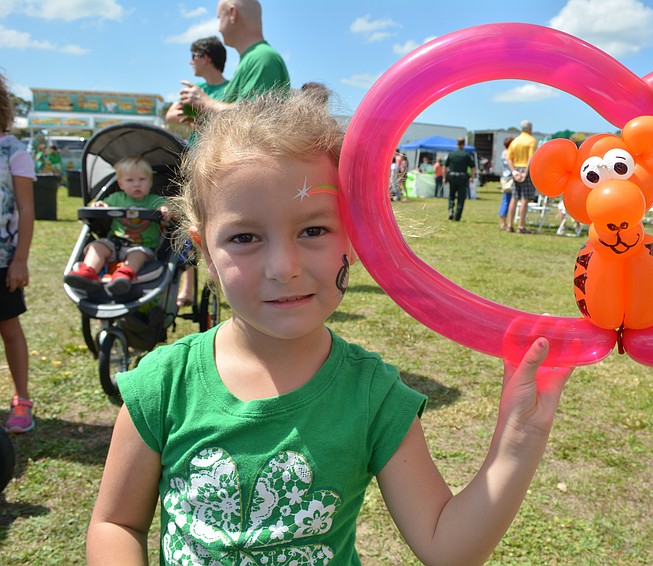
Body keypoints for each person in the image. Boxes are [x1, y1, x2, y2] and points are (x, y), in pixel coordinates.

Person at [86, 91, 572, 565]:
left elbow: (446, 547)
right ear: (206, 251)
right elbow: (117, 524)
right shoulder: (163, 384)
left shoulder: (373, 396)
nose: (284, 266)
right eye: (245, 237)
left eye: (313, 230)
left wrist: (519, 438)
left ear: (357, 234)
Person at [166, 36, 230, 308]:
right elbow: (171, 118)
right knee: (191, 227)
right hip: (195, 168)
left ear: (205, 57)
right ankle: (188, 285)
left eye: (193, 56)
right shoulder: (196, 89)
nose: (190, 62)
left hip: (222, 169)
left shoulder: (230, 90)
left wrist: (200, 113)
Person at [64, 156, 171, 296]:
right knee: (97, 246)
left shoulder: (155, 201)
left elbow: (169, 209)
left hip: (142, 246)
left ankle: (124, 275)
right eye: (130, 180)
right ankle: (88, 271)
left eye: (142, 180)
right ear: (121, 184)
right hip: (114, 243)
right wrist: (99, 206)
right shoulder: (115, 198)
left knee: (137, 255)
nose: (136, 184)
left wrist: (167, 210)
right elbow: (101, 206)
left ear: (150, 182)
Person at [0, 73, 36, 433]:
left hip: (3, 260)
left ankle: (21, 399)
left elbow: (26, 209)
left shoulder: (15, 151)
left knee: (9, 329)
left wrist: (20, 258)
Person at [179, 0, 290, 115]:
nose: (219, 28)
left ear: (233, 13)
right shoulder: (253, 58)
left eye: (220, 18)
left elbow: (252, 117)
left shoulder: (262, 58)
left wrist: (206, 102)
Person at [506, 120, 538, 233]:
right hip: (526, 170)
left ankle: (509, 224)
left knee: (514, 198)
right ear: (530, 129)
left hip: (516, 169)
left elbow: (508, 158)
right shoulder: (532, 141)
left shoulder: (515, 141)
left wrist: (514, 171)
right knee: (525, 199)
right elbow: (531, 158)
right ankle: (521, 226)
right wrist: (525, 172)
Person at [444, 136, 475, 221]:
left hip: (452, 177)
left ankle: (450, 210)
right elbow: (473, 167)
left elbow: (445, 166)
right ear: (464, 144)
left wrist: (444, 177)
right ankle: (457, 216)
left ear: (457, 144)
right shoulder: (466, 154)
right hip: (462, 178)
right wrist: (472, 177)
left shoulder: (451, 154)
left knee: (451, 196)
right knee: (461, 198)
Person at [498, 136, 515, 230]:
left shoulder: (502, 153)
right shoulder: (509, 153)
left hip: (504, 178)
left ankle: (502, 221)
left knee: (505, 200)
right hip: (510, 178)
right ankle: (504, 222)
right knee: (508, 200)